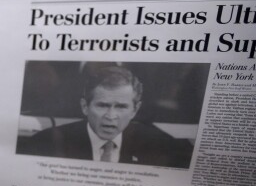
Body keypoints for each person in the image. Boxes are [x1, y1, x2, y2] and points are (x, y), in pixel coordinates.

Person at [18, 66, 192, 168]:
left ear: (135, 110)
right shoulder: (45, 143)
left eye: (121, 107)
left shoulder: (165, 147)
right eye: (102, 105)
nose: (111, 116)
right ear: (85, 107)